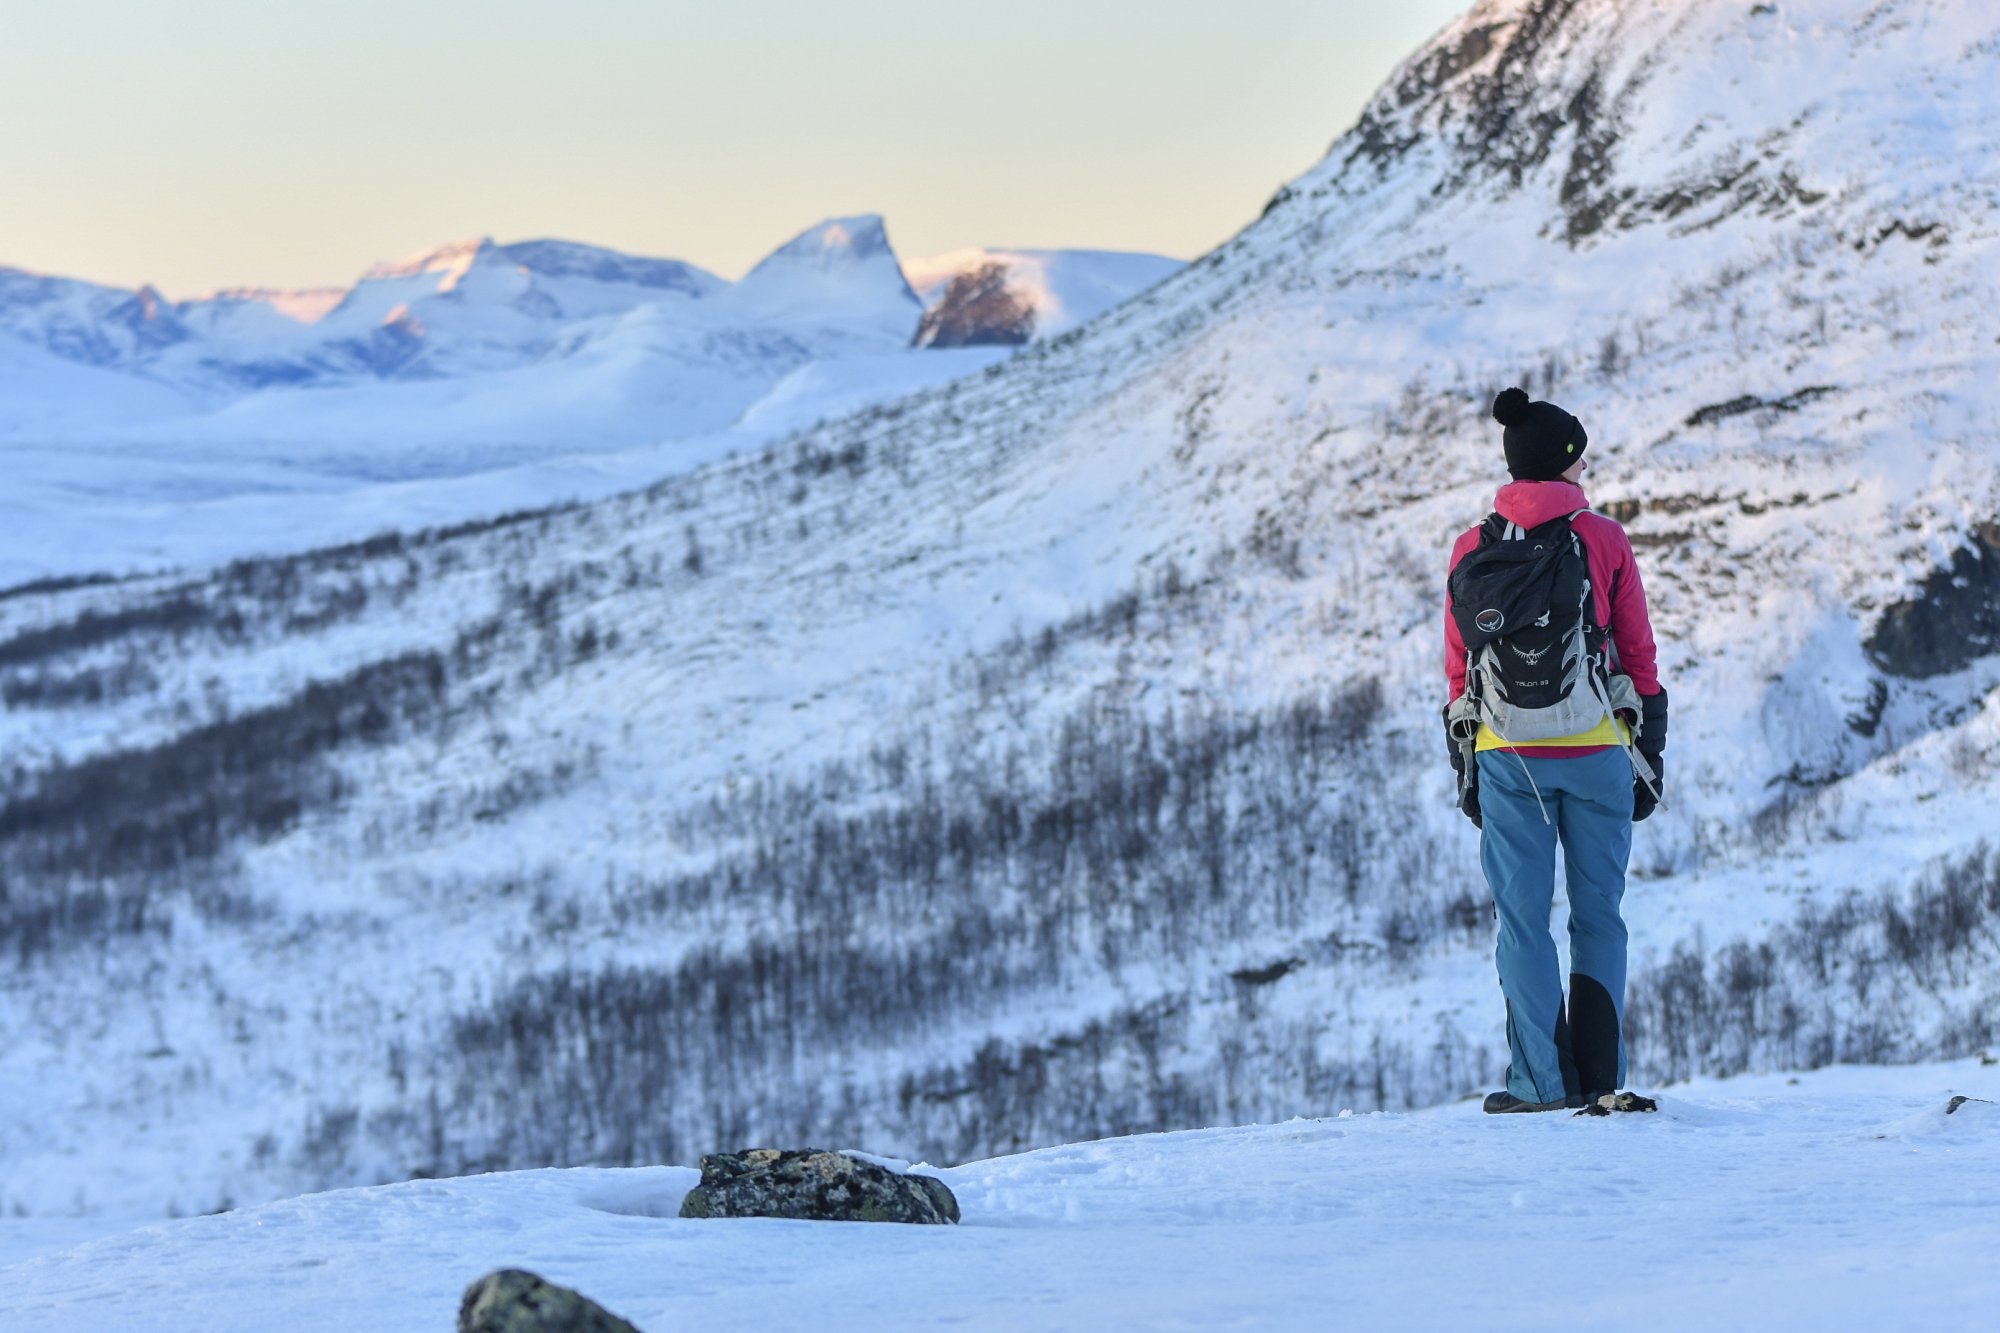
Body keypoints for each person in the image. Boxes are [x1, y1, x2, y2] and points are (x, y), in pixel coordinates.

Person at [1443, 388, 1668, 1114]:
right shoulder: (1604, 538)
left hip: (1508, 756)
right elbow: (1637, 651)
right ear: (1564, 462)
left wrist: (1467, 763)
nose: (1584, 467)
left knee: (1522, 923)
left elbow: (1459, 668)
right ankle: (1601, 1080)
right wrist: (1650, 746)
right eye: (1579, 456)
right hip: (1598, 749)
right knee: (1599, 916)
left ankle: (1540, 1082)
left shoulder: (1472, 548)